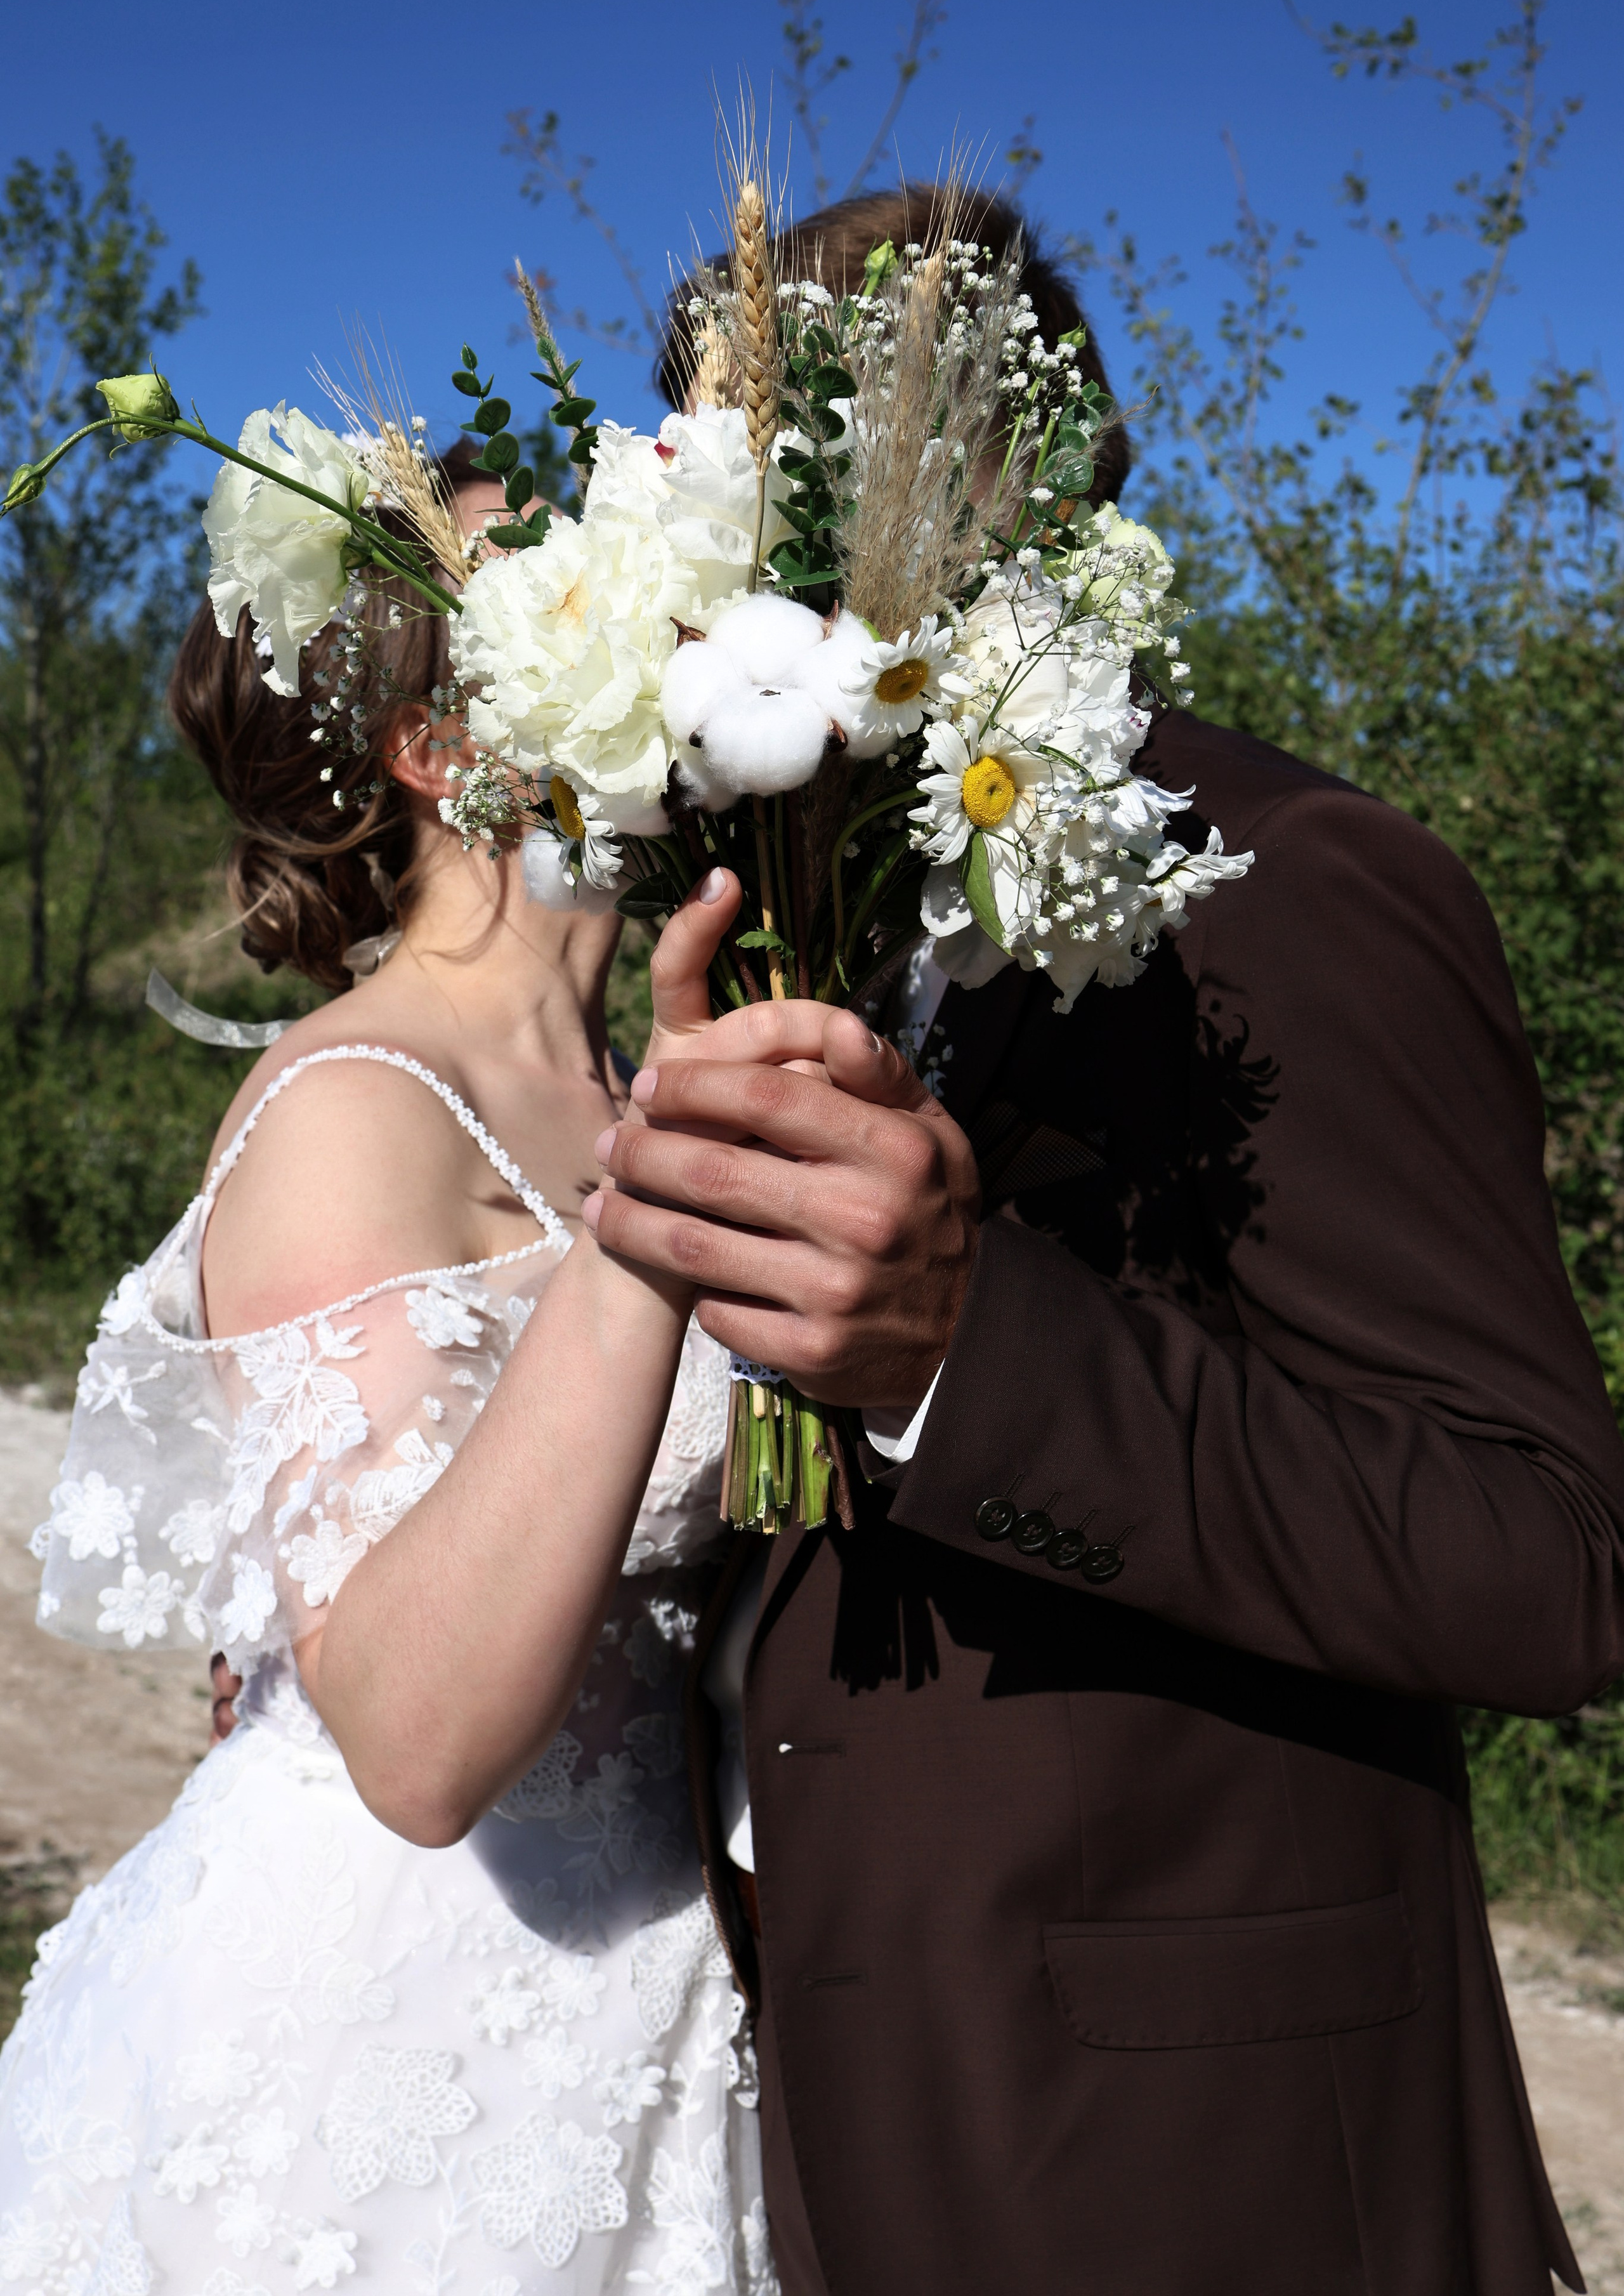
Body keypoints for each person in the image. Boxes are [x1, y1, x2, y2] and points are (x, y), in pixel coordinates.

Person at [580, 187, 1624, 2295]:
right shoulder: (827, 908)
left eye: (792, 474)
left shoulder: (1301, 885)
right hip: (876, 2084)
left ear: (1004, 469)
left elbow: (1553, 1568)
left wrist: (970, 1349)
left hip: (1199, 2151)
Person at [0, 466, 780, 2296]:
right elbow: (415, 1744)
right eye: (577, 592)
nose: (650, 601)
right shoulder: (356, 1113)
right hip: (398, 2053)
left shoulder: (645, 1049)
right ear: (445, 748)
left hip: (684, 2008)